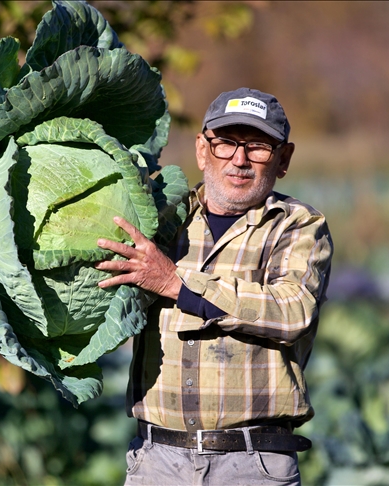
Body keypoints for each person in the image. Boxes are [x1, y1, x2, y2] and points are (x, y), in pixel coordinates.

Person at [95, 87, 333, 486]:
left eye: (257, 146)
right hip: (157, 462)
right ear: (202, 151)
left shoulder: (297, 225)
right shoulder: (162, 219)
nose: (239, 160)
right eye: (225, 144)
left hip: (252, 464)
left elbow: (293, 309)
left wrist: (177, 283)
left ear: (283, 159)